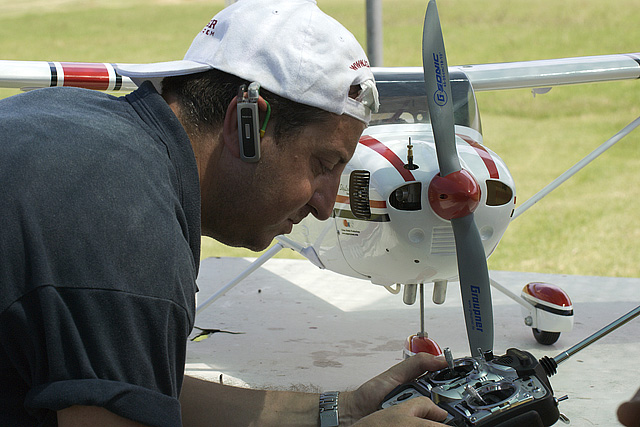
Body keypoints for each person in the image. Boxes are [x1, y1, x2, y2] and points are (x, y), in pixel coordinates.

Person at [0, 0, 449, 425]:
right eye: (323, 165)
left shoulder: (84, 131)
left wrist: (345, 411)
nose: (324, 204)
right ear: (246, 125)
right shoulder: (128, 230)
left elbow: (138, 391)